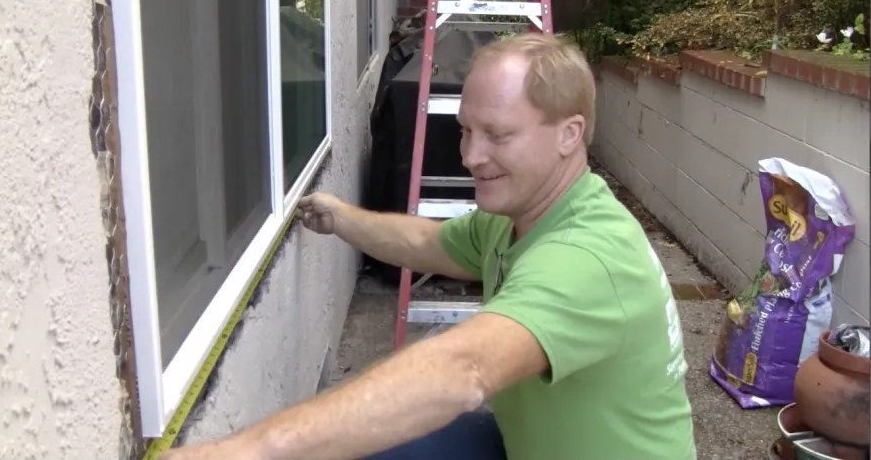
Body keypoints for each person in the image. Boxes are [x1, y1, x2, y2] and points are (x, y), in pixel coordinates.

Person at [159, 32, 697, 460]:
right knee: (363, 440)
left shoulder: (587, 257)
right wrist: (343, 218)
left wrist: (246, 450)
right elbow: (429, 240)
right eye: (465, 130)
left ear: (568, 133)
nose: (470, 155)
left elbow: (463, 370)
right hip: (531, 444)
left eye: (498, 135)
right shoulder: (525, 214)